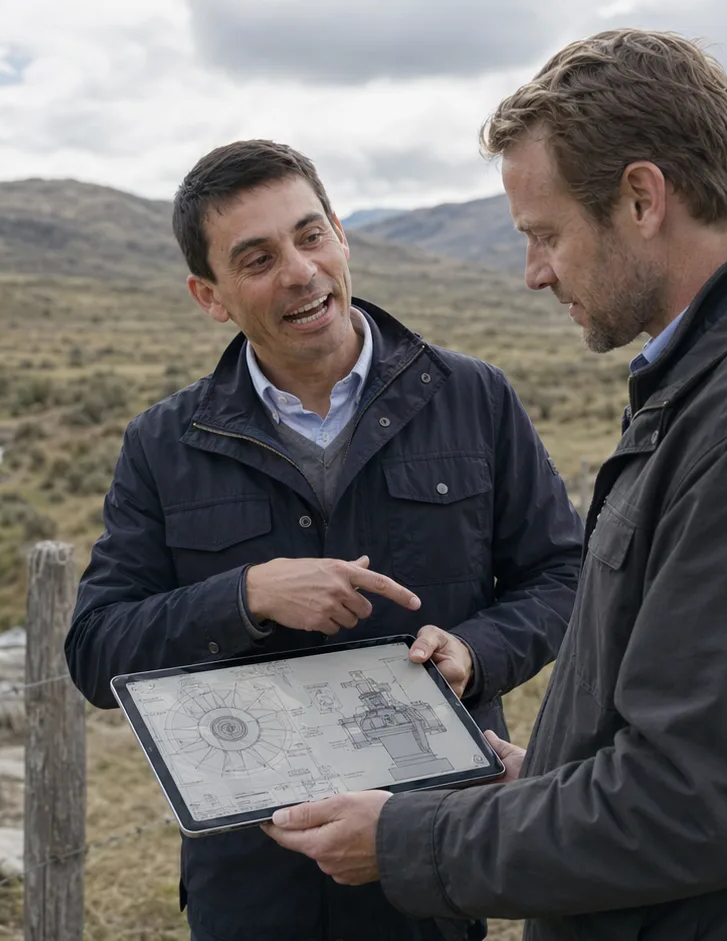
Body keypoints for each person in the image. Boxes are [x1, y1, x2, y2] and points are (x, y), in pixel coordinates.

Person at [263, 28, 727, 941]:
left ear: (641, 198)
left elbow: (692, 804)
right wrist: (546, 774)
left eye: (546, 234)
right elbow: (709, 724)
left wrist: (411, 839)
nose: (534, 273)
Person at [64, 138, 585, 941]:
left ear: (341, 235)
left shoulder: (472, 398)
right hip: (253, 883)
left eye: (311, 236)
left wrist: (476, 652)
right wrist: (245, 597)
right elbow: (97, 651)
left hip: (429, 858)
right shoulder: (164, 444)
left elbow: (561, 577)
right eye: (258, 258)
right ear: (211, 295)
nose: (300, 271)